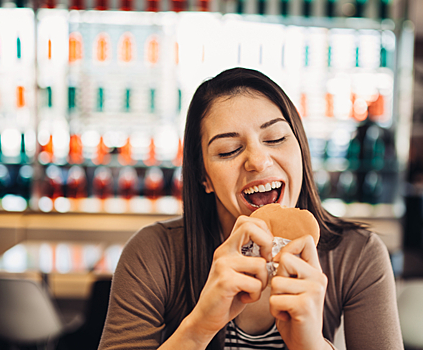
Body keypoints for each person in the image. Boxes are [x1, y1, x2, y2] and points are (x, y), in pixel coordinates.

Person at [99, 68, 403, 350]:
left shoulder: (358, 255)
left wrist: (311, 345)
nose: (257, 160)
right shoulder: (153, 252)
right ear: (203, 176)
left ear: (301, 150)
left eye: (276, 138)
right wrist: (198, 327)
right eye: (229, 150)